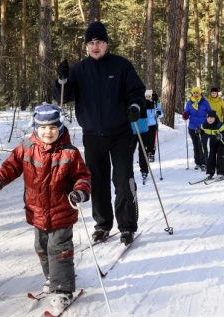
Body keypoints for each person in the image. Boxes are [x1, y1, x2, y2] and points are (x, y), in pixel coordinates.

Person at [0, 104, 91, 310]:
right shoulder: (26, 149)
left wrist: (79, 192)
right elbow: (8, 169)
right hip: (36, 211)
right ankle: (52, 278)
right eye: (43, 128)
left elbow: (82, 177)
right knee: (42, 248)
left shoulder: (70, 153)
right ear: (35, 128)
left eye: (53, 128)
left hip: (62, 211)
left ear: (60, 127)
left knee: (59, 249)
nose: (48, 132)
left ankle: (62, 290)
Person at [53, 21, 145, 246]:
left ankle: (127, 226)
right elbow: (63, 97)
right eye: (91, 43)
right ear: (86, 46)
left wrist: (134, 107)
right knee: (97, 180)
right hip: (92, 135)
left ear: (106, 44)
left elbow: (136, 92)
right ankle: (103, 225)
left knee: (123, 178)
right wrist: (61, 80)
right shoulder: (78, 70)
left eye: (100, 42)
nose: (95, 46)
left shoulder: (121, 66)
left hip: (121, 132)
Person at [182, 87, 212, 171]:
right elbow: (187, 112)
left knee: (202, 144)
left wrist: (210, 118)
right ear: (192, 94)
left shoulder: (205, 102)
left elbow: (210, 112)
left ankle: (204, 163)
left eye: (197, 93)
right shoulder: (189, 103)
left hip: (203, 127)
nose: (196, 94)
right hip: (192, 127)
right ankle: (198, 162)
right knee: (196, 145)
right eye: (194, 93)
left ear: (200, 93)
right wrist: (185, 115)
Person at [199, 110, 224, 180]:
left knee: (220, 156)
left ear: (215, 118)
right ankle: (209, 173)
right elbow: (202, 131)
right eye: (208, 118)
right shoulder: (204, 125)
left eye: (212, 118)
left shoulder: (219, 125)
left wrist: (221, 135)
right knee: (211, 156)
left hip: (221, 141)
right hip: (212, 141)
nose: (210, 119)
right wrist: (198, 131)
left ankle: (220, 173)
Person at [131, 103, 149, 182]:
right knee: (129, 152)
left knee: (142, 151)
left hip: (143, 130)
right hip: (131, 130)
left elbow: (151, 105)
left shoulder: (143, 100)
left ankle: (144, 170)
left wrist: (153, 101)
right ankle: (128, 171)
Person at [145, 91, 164, 162]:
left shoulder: (155, 103)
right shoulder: (143, 103)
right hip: (145, 125)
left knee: (152, 140)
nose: (147, 98)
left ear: (151, 96)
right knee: (145, 140)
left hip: (153, 124)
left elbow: (161, 113)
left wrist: (159, 113)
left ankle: (152, 154)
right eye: (146, 96)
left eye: (149, 96)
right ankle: (146, 153)